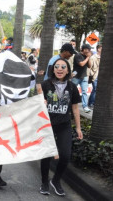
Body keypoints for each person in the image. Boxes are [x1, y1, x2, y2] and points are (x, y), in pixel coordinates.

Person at [40, 58, 83, 196]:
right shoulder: (45, 84)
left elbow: (75, 109)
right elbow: (38, 105)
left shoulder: (72, 87)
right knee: (46, 155)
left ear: (67, 70)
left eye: (63, 67)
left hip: (64, 124)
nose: (60, 69)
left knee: (65, 155)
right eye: (57, 66)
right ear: (53, 69)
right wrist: (42, 102)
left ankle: (56, 180)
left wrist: (78, 128)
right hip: (47, 125)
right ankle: (44, 182)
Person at [72, 44, 92, 113]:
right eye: (87, 49)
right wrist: (87, 58)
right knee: (72, 91)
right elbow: (81, 64)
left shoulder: (87, 56)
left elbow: (89, 66)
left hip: (84, 77)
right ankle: (70, 105)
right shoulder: (78, 55)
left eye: (89, 50)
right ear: (83, 49)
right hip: (76, 77)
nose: (88, 51)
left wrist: (88, 58)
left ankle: (85, 106)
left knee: (84, 92)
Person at [88, 44, 102, 109]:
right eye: (102, 48)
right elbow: (89, 67)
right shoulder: (93, 57)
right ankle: (91, 103)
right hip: (95, 76)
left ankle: (91, 102)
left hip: (101, 76)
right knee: (95, 90)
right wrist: (92, 74)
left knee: (96, 90)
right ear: (98, 49)